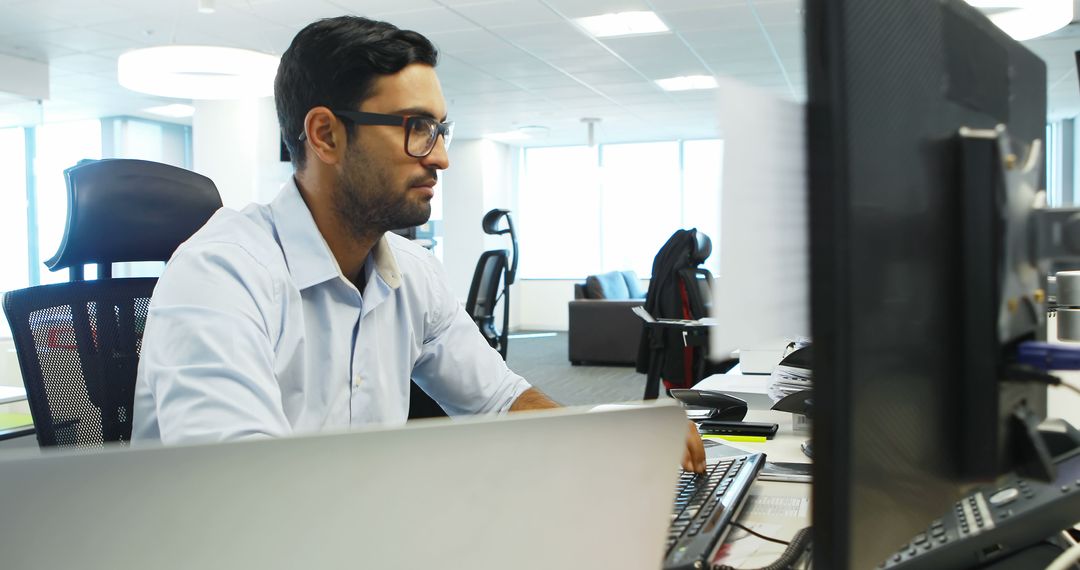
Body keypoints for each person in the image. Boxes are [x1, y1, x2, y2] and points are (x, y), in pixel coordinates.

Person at [131, 15, 705, 473]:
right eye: (416, 128)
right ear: (326, 135)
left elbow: (499, 400)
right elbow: (238, 490)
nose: (440, 156)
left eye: (440, 130)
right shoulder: (222, 274)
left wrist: (606, 437)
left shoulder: (411, 272)